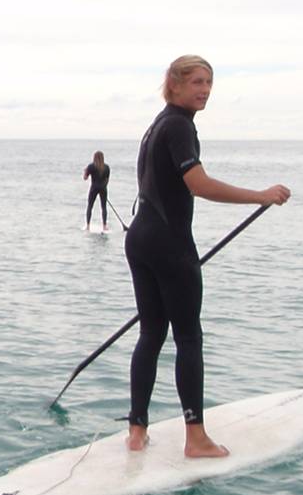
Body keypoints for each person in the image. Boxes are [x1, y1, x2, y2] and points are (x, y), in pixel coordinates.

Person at [124, 55, 290, 458]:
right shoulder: (179, 126)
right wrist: (260, 195)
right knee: (188, 337)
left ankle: (136, 430)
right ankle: (195, 438)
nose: (204, 90)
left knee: (151, 334)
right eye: (196, 82)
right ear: (175, 84)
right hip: (168, 244)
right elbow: (197, 184)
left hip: (141, 238)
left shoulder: (157, 125)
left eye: (209, 83)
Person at [82, 151, 111, 231]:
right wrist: (104, 186)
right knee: (104, 207)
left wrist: (85, 172)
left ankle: (88, 226)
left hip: (94, 188)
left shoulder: (91, 166)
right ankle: (104, 226)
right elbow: (107, 180)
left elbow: (85, 178)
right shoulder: (106, 167)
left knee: (90, 206)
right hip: (103, 188)